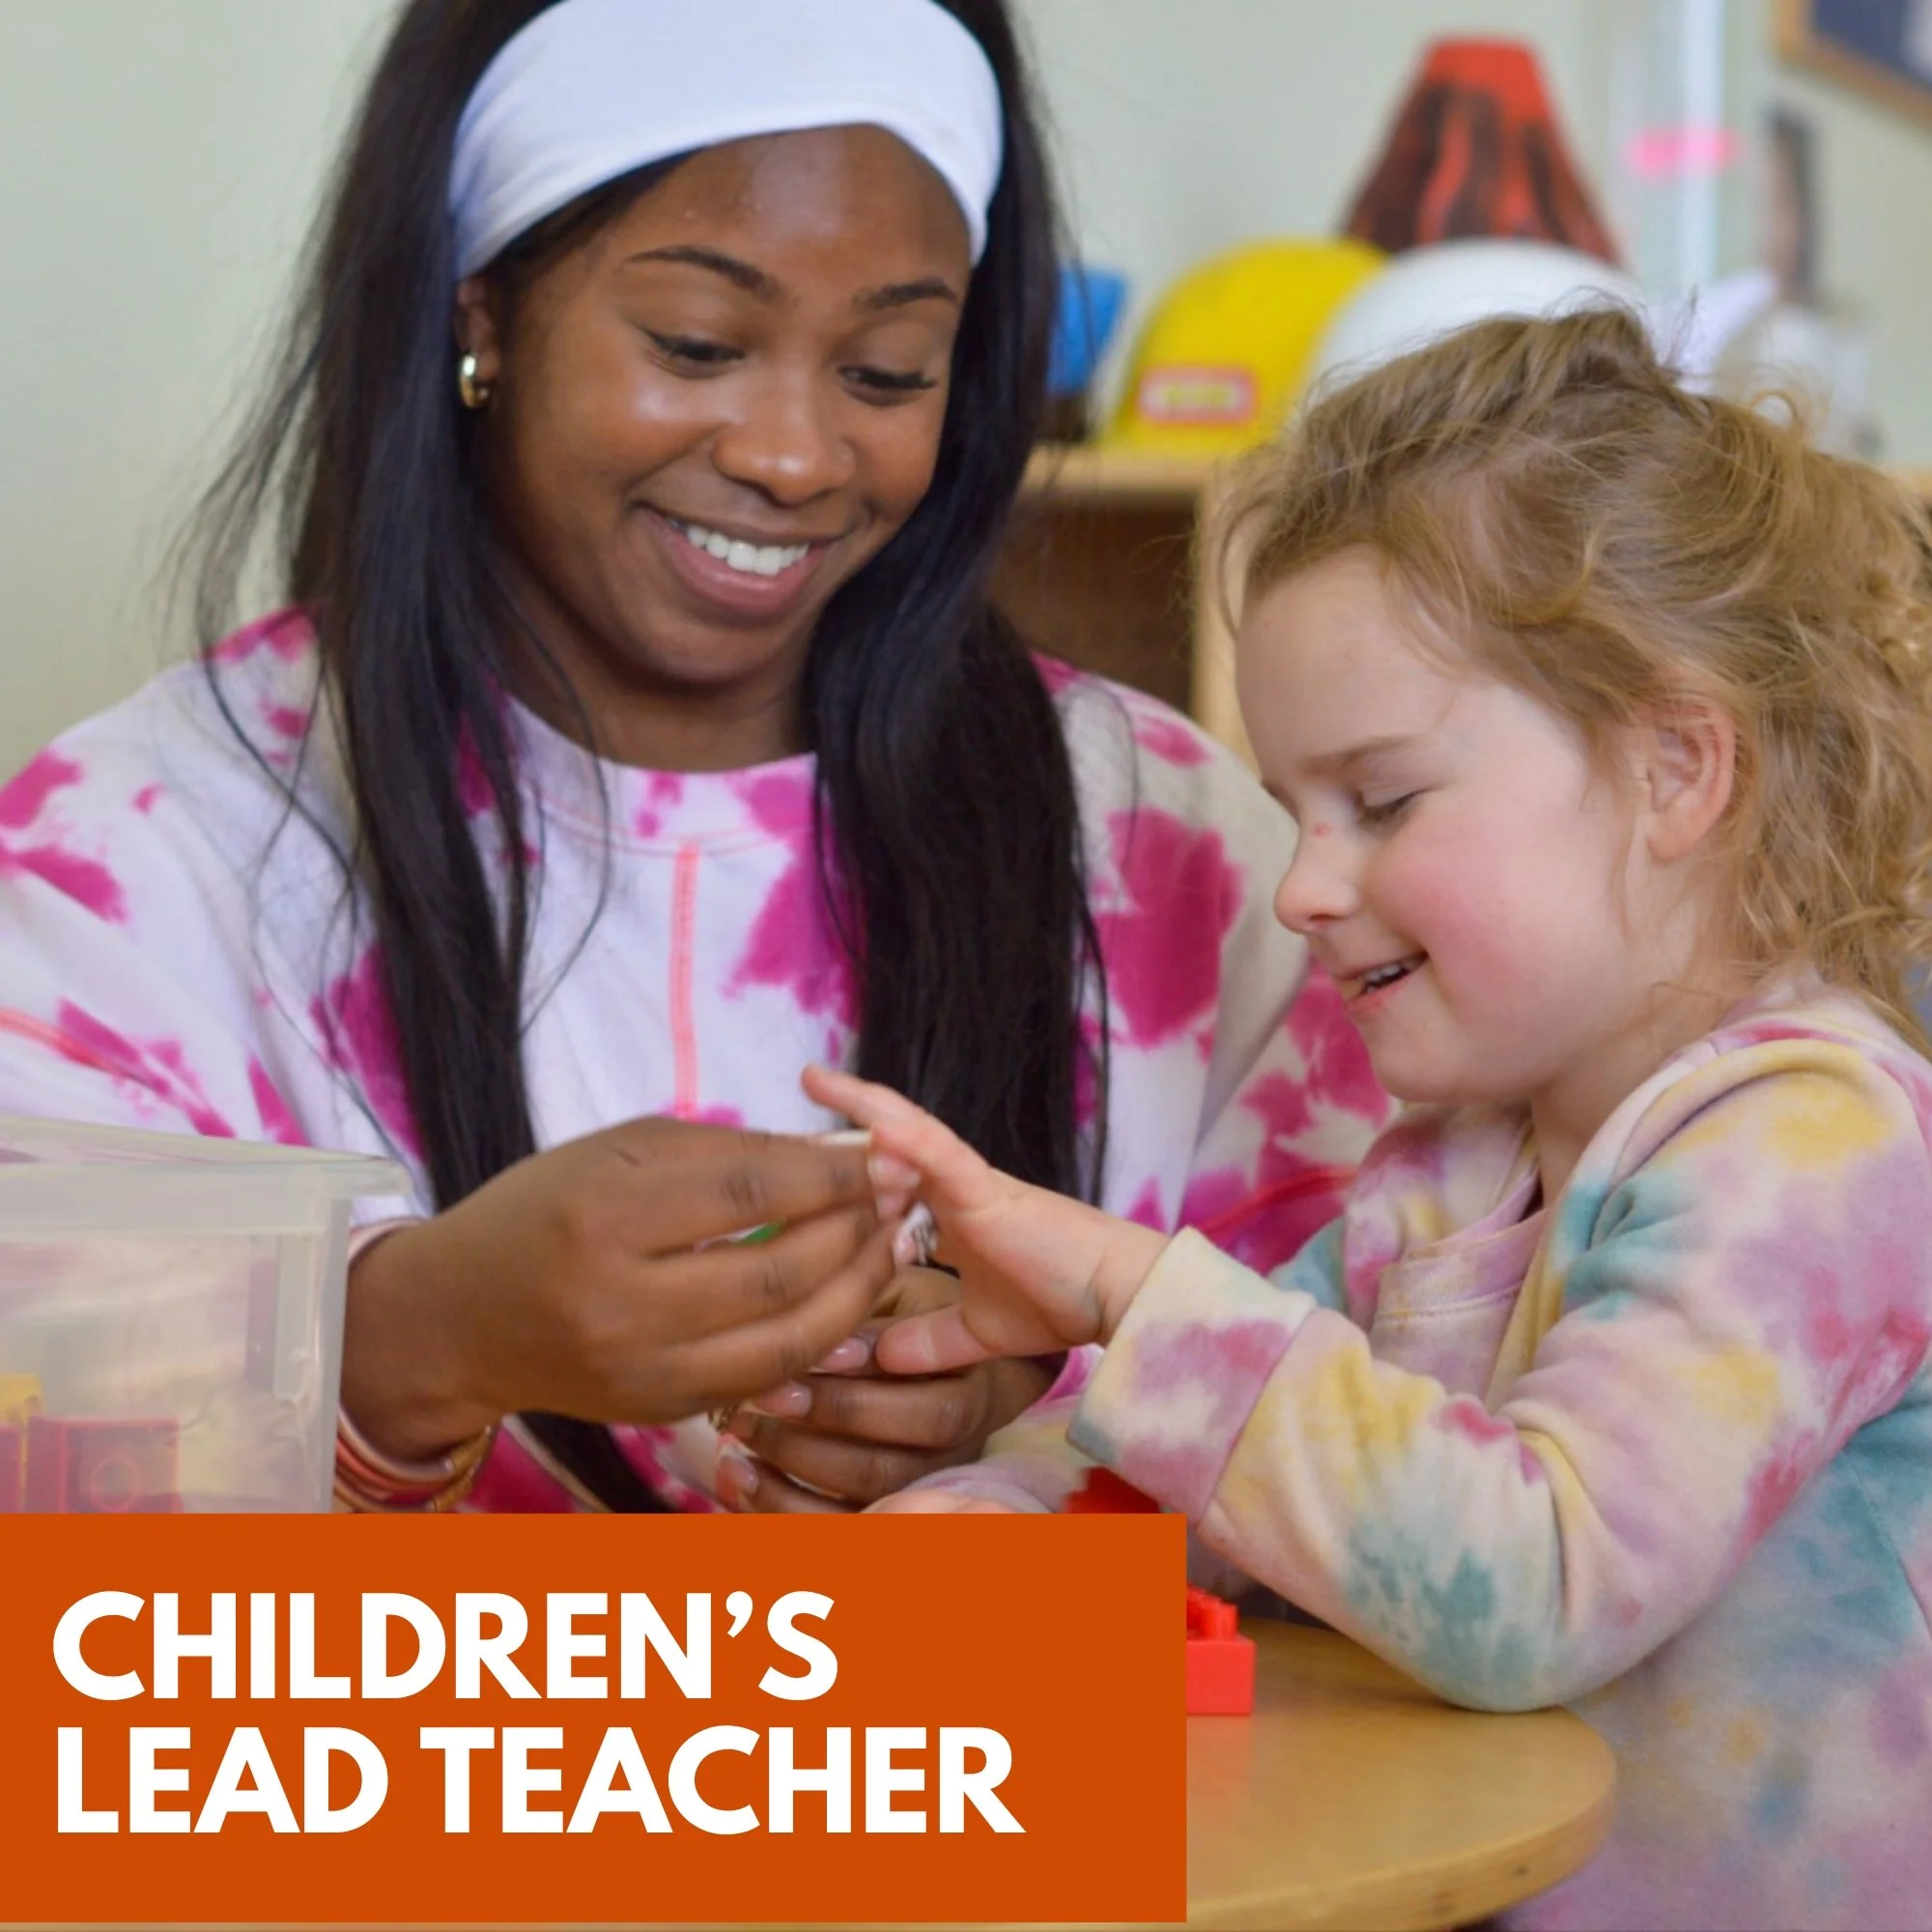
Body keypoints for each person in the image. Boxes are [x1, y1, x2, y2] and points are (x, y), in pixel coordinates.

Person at [0, 0, 1386, 1517]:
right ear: (483, 312)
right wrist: (406, 1338)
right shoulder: (141, 853)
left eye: (887, 372)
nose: (792, 455)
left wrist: (1047, 1398)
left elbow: (1436, 1457)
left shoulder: (1175, 849)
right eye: (699, 343)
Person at [808, 308, 1932, 1929]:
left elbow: (1538, 1581)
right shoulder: (1453, 1166)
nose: (1304, 889)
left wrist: (1126, 1291)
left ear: (1682, 767)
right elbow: (1224, 1470)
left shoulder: (1822, 1143)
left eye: (1382, 800)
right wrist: (974, 1534)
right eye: (1291, 811)